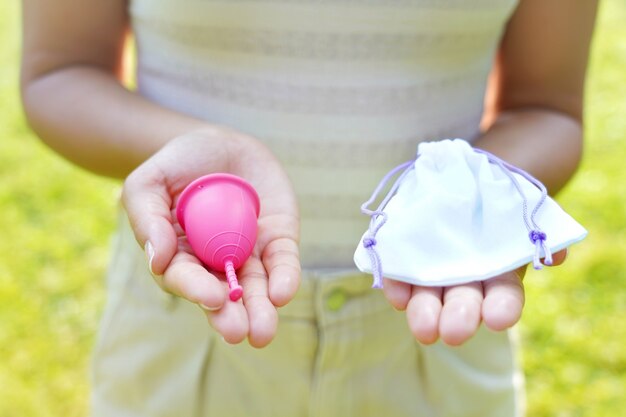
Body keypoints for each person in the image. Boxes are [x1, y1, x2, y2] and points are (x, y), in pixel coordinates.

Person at [20, 0, 597, 416]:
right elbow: (61, 72)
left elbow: (547, 108)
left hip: (440, 329)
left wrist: (477, 197)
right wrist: (192, 149)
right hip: (189, 325)